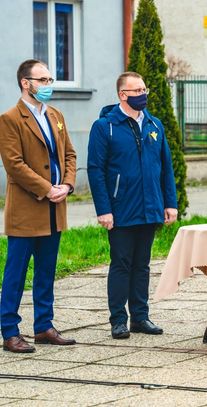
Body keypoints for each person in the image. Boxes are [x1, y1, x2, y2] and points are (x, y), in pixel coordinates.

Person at [87, 72, 178, 339]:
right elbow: (95, 170)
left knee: (142, 265)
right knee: (121, 263)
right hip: (121, 208)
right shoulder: (105, 126)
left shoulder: (154, 124)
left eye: (144, 89)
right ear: (122, 95)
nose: (143, 94)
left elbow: (166, 167)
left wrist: (169, 203)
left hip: (150, 207)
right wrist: (104, 209)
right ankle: (118, 320)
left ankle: (140, 317)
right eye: (137, 90)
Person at [0, 59, 77, 353]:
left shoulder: (55, 115)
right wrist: (47, 189)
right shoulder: (10, 118)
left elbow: (69, 154)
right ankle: (10, 331)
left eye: (49, 80)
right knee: (16, 273)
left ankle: (44, 326)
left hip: (54, 208)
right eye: (42, 80)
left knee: (46, 270)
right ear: (26, 83)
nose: (48, 85)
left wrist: (67, 185)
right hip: (26, 209)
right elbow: (14, 165)